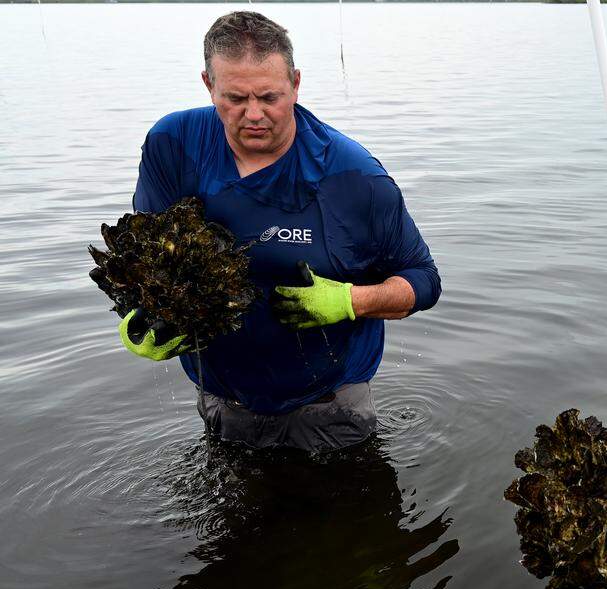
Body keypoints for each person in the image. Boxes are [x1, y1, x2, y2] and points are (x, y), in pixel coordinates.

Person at [118, 11, 441, 452]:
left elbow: (423, 281)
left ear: (296, 83)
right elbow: (150, 259)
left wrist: (351, 300)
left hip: (330, 405)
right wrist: (144, 315)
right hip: (222, 398)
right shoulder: (173, 145)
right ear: (209, 85)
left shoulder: (353, 177)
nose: (254, 114)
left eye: (270, 96)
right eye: (234, 98)